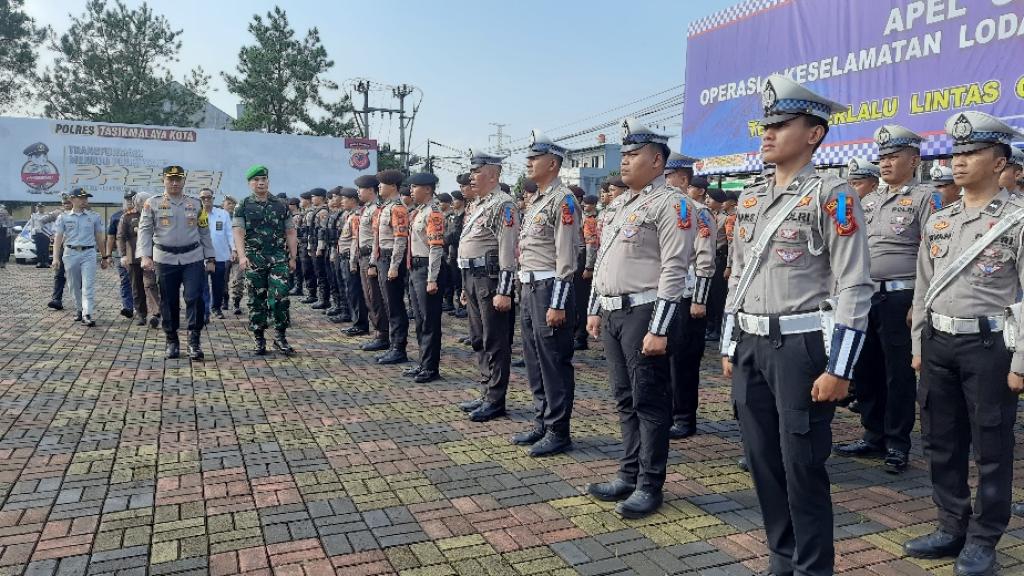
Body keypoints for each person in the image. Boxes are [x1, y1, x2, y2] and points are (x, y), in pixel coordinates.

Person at [721, 75, 872, 575]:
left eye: (781, 124)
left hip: (801, 345)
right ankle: (781, 556)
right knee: (762, 462)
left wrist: (840, 367)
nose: (767, 133)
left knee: (802, 466)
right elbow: (738, 274)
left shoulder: (834, 193)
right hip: (751, 343)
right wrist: (730, 343)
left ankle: (812, 567)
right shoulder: (751, 196)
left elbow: (854, 284)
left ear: (814, 134)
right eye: (765, 125)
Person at [903, 112, 1024, 576]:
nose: (960, 161)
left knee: (991, 445)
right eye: (956, 153)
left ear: (999, 162)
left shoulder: (1015, 220)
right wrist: (918, 344)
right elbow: (921, 289)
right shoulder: (940, 220)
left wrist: (1021, 362)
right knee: (940, 439)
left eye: (972, 152)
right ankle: (951, 525)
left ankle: (984, 539)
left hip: (989, 345)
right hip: (938, 342)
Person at [583, 118, 695, 519]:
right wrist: (595, 307)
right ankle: (628, 474)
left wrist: (659, 327)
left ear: (657, 160)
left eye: (633, 155)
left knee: (649, 401)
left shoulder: (673, 203)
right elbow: (603, 264)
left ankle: (651, 483)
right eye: (624, 154)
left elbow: (675, 270)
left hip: (645, 311)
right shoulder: (619, 205)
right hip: (614, 312)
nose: (625, 161)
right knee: (624, 398)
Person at [833, 125, 932, 475]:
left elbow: (933, 255)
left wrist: (919, 303)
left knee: (899, 374)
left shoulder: (925, 199)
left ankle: (897, 443)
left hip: (900, 298)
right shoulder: (868, 200)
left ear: (914, 160)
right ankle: (873, 434)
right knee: (866, 368)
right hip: (865, 296)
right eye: (883, 157)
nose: (886, 163)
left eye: (893, 157)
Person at [512, 130, 579, 456]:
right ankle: (542, 420)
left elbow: (567, 258)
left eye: (534, 158)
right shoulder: (537, 200)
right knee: (535, 359)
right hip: (529, 286)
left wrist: (558, 303)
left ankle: (558, 430)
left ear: (552, 164)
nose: (528, 162)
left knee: (554, 361)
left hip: (549, 288)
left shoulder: (562, 200)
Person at [456, 150, 518, 422]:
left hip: (489, 279)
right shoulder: (479, 204)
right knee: (479, 338)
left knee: (495, 340)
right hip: (471, 277)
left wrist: (505, 290)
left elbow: (507, 251)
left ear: (492, 174)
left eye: (477, 171)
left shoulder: (503, 204)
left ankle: (496, 399)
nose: (472, 176)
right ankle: (486, 391)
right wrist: (462, 286)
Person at [137, 165, 215, 360]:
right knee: (169, 301)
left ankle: (194, 342)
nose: (174, 183)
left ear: (183, 181)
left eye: (178, 179)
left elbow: (204, 232)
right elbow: (145, 231)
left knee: (193, 298)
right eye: (170, 179)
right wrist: (145, 256)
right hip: (165, 259)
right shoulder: (151, 204)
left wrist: (210, 258)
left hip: (193, 258)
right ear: (163, 180)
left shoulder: (196, 204)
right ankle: (171, 341)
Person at [665, 162, 716, 440]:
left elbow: (706, 260)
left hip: (687, 296)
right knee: (664, 357)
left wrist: (700, 299)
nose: (664, 181)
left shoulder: (699, 213)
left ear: (683, 179)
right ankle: (669, 411)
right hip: (665, 295)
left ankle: (684, 418)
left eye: (668, 176)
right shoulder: (663, 208)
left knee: (683, 361)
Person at [233, 165, 298, 355]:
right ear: (249, 183)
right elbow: (238, 231)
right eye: (256, 180)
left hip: (278, 258)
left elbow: (290, 231)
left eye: (263, 179)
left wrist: (293, 257)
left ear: (268, 181)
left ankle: (280, 337)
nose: (260, 182)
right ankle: (259, 339)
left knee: (280, 297)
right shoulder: (243, 205)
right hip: (254, 259)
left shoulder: (281, 205)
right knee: (256, 299)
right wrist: (242, 256)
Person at [404, 172, 446, 383]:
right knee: (420, 320)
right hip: (415, 269)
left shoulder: (434, 213)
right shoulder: (419, 212)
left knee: (429, 321)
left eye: (415, 187)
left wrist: (432, 278)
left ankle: (431, 368)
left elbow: (436, 248)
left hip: (426, 270)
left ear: (428, 189)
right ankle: (423, 363)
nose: (411, 190)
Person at [371, 170, 411, 364]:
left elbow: (400, 239)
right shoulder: (385, 207)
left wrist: (394, 266)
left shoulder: (398, 208)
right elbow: (377, 238)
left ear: (393, 186)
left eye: (382, 184)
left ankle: (398, 348)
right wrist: (373, 261)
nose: (379, 187)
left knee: (395, 305)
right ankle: (392, 345)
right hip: (382, 258)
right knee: (388, 304)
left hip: (391, 260)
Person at [52, 188, 108, 326]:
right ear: (72, 199)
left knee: (88, 285)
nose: (84, 201)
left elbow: (99, 238)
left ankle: (87, 313)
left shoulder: (94, 216)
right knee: (73, 285)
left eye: (86, 198)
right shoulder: (63, 217)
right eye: (81, 198)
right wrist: (55, 258)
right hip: (70, 253)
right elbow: (58, 239)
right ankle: (79, 309)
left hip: (88, 253)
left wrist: (105, 256)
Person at [353, 175, 390, 349]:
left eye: (361, 189)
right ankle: (378, 332)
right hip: (363, 257)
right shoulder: (366, 209)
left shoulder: (376, 209)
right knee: (369, 297)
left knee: (375, 297)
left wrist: (373, 263)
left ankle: (382, 336)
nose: (358, 192)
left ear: (370, 190)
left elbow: (376, 238)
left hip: (371, 257)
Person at [119, 192, 161, 328]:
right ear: (136, 203)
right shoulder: (127, 217)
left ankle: (156, 313)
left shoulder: (155, 214)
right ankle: (141, 315)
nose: (144, 204)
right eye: (141, 202)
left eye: (146, 201)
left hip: (150, 256)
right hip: (133, 258)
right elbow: (121, 237)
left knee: (150, 284)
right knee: (136, 287)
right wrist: (123, 255)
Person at [704, 186, 733, 341]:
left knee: (718, 296)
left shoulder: (726, 218)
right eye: (707, 198)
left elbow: (731, 243)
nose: (707, 200)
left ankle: (718, 328)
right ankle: (710, 325)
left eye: (711, 198)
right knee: (709, 296)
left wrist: (729, 266)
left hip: (720, 259)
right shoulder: (710, 215)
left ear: (720, 202)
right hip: (709, 258)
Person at [339, 188, 369, 335]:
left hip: (351, 259)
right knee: (351, 291)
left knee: (355, 292)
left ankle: (360, 324)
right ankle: (356, 321)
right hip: (345, 258)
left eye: (344, 199)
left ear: (352, 200)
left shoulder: (356, 216)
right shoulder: (350, 216)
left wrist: (352, 261)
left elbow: (355, 241)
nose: (341, 202)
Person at [201, 188, 235, 319]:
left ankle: (216, 307)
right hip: (202, 257)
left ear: (213, 199)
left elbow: (229, 234)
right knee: (203, 285)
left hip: (220, 256)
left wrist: (234, 250)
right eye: (203, 198)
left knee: (218, 285)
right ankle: (205, 311)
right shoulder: (197, 214)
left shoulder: (223, 214)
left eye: (208, 197)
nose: (206, 200)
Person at [325, 189, 352, 323]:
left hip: (342, 251)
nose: (333, 199)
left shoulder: (345, 215)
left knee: (343, 282)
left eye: (335, 196)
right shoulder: (338, 214)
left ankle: (346, 310)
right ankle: (341, 307)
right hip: (336, 249)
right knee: (336, 280)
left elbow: (342, 237)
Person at [106, 194, 135, 318]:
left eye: (132, 199)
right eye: (127, 199)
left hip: (139, 254)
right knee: (125, 281)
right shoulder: (116, 216)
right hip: (122, 255)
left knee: (140, 282)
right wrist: (108, 255)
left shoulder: (143, 214)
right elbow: (111, 237)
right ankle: (127, 307)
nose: (129, 202)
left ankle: (141, 307)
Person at [578, 194, 600, 348]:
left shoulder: (590, 221)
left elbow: (591, 245)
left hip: (584, 259)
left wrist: (588, 267)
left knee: (581, 301)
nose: (584, 206)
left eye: (587, 204)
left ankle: (581, 337)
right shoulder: (583, 218)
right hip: (579, 257)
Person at [45, 196, 71, 310]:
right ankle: (56, 299)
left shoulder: (85, 215)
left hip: (77, 249)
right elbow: (53, 231)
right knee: (59, 273)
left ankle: (83, 301)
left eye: (68, 202)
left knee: (78, 277)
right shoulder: (59, 215)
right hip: (62, 247)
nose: (66, 204)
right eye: (64, 203)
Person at [446, 185, 468, 318]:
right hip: (453, 253)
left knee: (462, 281)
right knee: (456, 282)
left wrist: (444, 239)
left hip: (462, 251)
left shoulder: (464, 216)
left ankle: (464, 307)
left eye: (455, 199)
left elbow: (457, 234)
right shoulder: (455, 216)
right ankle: (459, 306)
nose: (453, 202)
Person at [306, 188, 330, 308]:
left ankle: (324, 299)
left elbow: (322, 230)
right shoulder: (317, 211)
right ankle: (321, 298)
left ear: (321, 197)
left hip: (320, 246)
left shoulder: (323, 212)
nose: (312, 199)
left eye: (314, 196)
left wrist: (320, 248)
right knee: (317, 271)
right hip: (314, 243)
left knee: (321, 272)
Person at [289, 194, 307, 296]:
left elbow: (296, 232)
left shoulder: (297, 217)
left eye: (290, 204)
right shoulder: (293, 217)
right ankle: (296, 286)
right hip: (294, 244)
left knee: (298, 267)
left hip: (298, 244)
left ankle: (298, 287)